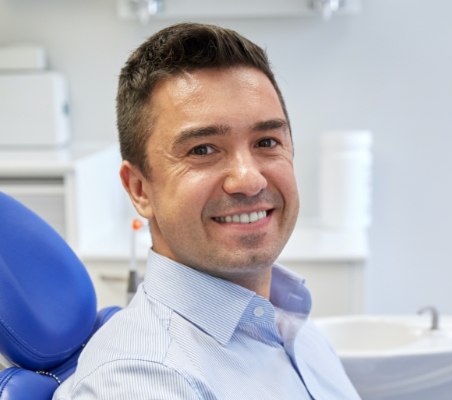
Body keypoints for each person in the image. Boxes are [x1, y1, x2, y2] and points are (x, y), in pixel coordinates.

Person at [53, 22, 361, 399]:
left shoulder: (294, 330)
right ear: (139, 188)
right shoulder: (144, 380)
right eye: (202, 149)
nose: (249, 180)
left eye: (266, 141)